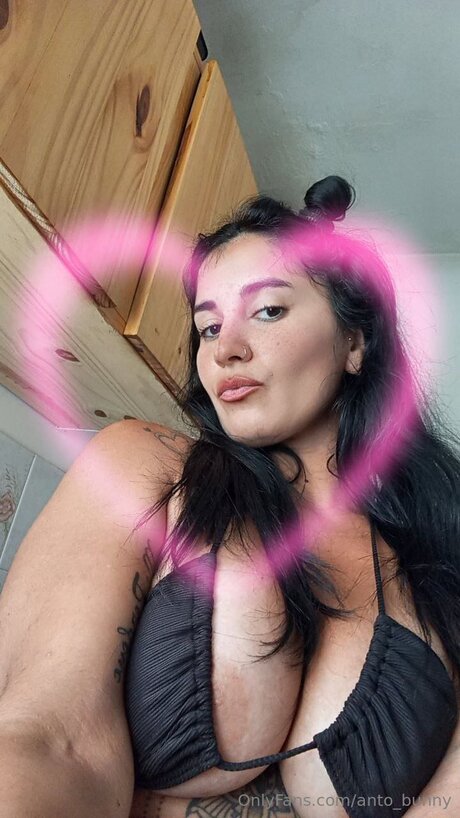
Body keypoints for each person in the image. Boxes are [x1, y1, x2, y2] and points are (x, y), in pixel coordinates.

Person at [0, 177, 459, 818]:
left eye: (268, 311)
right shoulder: (146, 465)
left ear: (354, 344)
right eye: (208, 327)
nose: (225, 351)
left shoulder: (435, 548)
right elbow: (48, 738)